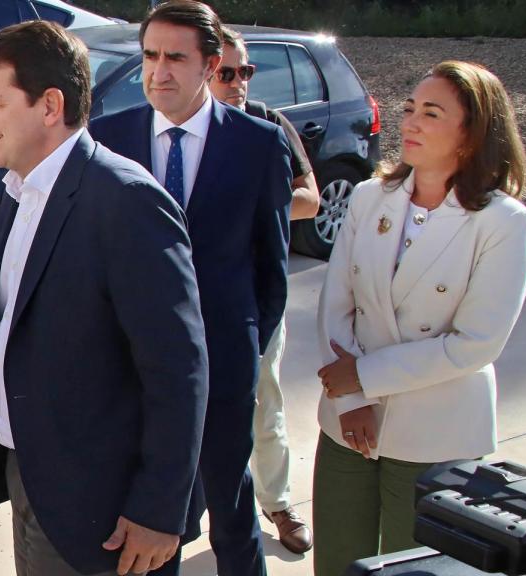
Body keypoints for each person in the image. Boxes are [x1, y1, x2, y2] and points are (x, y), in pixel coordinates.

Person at [0, 20, 210, 576]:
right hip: (33, 483)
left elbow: (179, 371)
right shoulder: (20, 192)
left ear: (50, 105)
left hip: (105, 513)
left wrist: (159, 510)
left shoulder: (127, 202)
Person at [89, 2, 293, 574]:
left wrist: (242, 349)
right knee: (152, 518)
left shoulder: (258, 145)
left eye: (176, 58)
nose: (159, 71)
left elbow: (271, 271)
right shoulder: (108, 139)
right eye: (150, 56)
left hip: (223, 367)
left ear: (211, 64)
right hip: (133, 371)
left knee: (229, 507)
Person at [314, 60, 526, 576]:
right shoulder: (370, 197)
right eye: (410, 108)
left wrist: (366, 376)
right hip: (347, 423)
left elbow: (476, 342)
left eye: (430, 113)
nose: (409, 122)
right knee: (338, 562)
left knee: (416, 568)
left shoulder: (503, 223)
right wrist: (352, 398)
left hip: (438, 433)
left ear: (473, 133)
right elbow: (335, 304)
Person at [209, 24, 318, 555]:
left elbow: (310, 199)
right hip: (190, 301)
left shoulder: (269, 128)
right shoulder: (180, 135)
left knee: (263, 405)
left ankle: (276, 501)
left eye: (245, 71)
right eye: (227, 72)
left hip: (254, 298)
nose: (238, 83)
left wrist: (255, 207)